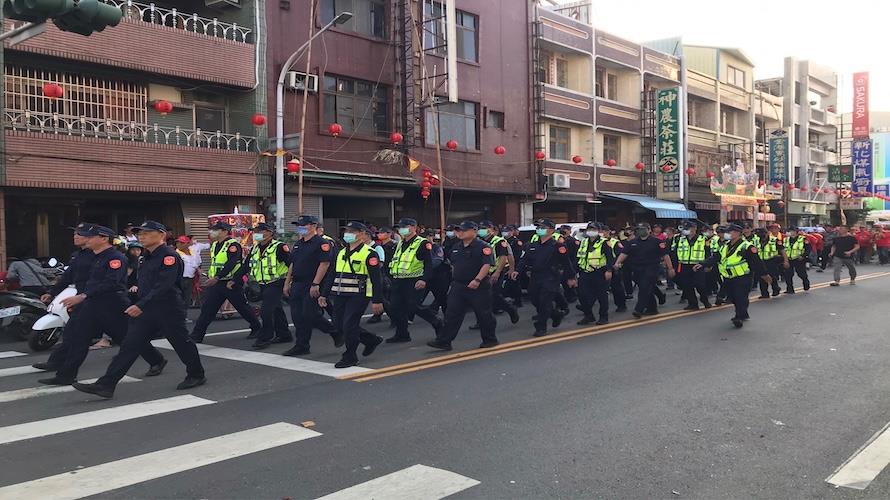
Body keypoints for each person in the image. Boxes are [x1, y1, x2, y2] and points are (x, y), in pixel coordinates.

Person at [73, 221, 206, 399]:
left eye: (147, 233)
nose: (141, 236)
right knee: (129, 345)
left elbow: (163, 286)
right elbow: (143, 283)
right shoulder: (144, 256)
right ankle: (106, 384)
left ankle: (196, 374)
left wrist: (140, 305)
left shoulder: (169, 256)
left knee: (181, 342)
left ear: (161, 235)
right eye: (140, 233)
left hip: (168, 308)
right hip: (147, 309)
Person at [38, 223, 167, 385]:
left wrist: (83, 295)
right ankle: (66, 375)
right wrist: (53, 292)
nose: (86, 239)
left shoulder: (116, 258)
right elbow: (74, 278)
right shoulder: (89, 256)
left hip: (112, 305)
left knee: (128, 338)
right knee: (77, 338)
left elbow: (111, 283)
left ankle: (157, 360)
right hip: (90, 303)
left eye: (90, 237)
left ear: (104, 239)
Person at [320, 222, 384, 368]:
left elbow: (376, 279)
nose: (348, 234)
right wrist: (324, 294)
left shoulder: (369, 253)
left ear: (362, 234)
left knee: (349, 325)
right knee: (338, 324)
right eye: (347, 231)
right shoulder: (341, 252)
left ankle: (350, 356)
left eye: (352, 231)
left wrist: (377, 300)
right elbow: (332, 274)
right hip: (341, 293)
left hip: (359, 295)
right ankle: (370, 340)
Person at [428, 221, 499, 350]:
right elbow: (454, 265)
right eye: (458, 230)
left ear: (474, 231)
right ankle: (444, 341)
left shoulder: (483, 247)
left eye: (463, 230)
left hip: (479, 286)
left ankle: (490, 339)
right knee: (452, 314)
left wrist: (477, 280)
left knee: (483, 314)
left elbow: (487, 264)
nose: (460, 233)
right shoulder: (456, 246)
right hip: (459, 285)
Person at [189, 222, 261, 342]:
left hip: (230, 283)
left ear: (223, 231)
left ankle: (256, 327)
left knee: (242, 307)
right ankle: (197, 335)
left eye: (214, 230)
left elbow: (231, 263)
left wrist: (217, 277)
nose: (211, 232)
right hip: (216, 283)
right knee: (207, 309)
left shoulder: (233, 245)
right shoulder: (215, 245)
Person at [282, 215, 340, 356]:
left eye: (304, 225)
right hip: (297, 283)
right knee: (297, 316)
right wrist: (287, 282)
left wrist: (316, 283)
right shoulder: (298, 244)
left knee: (310, 315)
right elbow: (293, 264)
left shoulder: (321, 243)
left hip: (312, 283)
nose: (300, 228)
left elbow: (324, 263)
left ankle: (334, 332)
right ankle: (302, 345)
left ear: (313, 226)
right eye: (299, 225)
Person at [696, 223, 770, 328]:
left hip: (743, 276)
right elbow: (715, 257)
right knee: (733, 297)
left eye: (728, 232)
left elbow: (757, 262)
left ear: (737, 233)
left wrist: (764, 274)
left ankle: (738, 317)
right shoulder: (725, 246)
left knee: (740, 296)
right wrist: (702, 264)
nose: (726, 234)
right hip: (728, 277)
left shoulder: (747, 246)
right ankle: (743, 313)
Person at [514, 218, 576, 337]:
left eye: (543, 227)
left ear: (551, 230)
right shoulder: (532, 245)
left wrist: (571, 277)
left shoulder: (557, 246)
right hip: (535, 276)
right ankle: (556, 315)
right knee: (534, 299)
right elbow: (524, 260)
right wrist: (518, 271)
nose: (539, 229)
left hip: (550, 276)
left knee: (545, 301)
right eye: (538, 227)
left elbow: (566, 263)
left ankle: (541, 327)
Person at [385, 218, 443, 343]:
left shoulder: (422, 243)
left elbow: (428, 264)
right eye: (400, 227)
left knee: (414, 306)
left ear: (413, 227)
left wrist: (423, 279)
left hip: (414, 280)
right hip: (399, 280)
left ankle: (437, 323)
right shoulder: (400, 243)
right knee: (395, 307)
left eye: (403, 227)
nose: (401, 230)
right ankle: (402, 334)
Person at [245, 222, 292, 350]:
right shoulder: (255, 248)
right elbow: (246, 265)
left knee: (266, 312)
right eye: (255, 231)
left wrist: (290, 282)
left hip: (277, 283)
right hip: (262, 284)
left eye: (260, 231)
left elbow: (291, 265)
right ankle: (284, 334)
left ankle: (265, 337)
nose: (256, 234)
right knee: (276, 309)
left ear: (270, 233)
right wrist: (235, 279)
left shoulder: (279, 247)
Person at [613, 222, 673, 319]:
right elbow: (624, 253)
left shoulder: (657, 242)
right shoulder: (632, 242)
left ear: (649, 230)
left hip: (652, 268)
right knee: (646, 288)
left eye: (643, 229)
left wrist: (670, 268)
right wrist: (617, 263)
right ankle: (653, 308)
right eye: (639, 229)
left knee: (644, 288)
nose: (641, 231)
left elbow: (665, 255)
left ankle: (639, 309)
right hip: (637, 269)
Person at [478, 220, 519, 324]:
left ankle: (510, 309)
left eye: (484, 228)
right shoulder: (479, 241)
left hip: (496, 271)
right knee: (482, 297)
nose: (481, 231)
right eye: (480, 228)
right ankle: (483, 321)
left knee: (493, 295)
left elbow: (504, 257)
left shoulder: (499, 241)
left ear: (491, 230)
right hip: (483, 272)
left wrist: (498, 272)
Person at [575, 222, 616, 325]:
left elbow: (610, 258)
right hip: (585, 273)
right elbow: (579, 258)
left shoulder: (604, 242)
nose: (591, 231)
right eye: (589, 229)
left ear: (599, 231)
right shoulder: (583, 242)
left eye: (593, 229)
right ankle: (588, 316)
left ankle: (603, 317)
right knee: (582, 295)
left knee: (601, 296)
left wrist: (609, 270)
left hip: (599, 272)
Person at [671, 220, 711, 310]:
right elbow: (674, 254)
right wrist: (674, 267)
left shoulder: (703, 239)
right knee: (687, 285)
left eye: (689, 228)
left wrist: (707, 265)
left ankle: (704, 300)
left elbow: (708, 253)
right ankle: (693, 303)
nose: (687, 230)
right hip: (684, 265)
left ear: (695, 228)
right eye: (686, 228)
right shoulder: (679, 239)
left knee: (700, 285)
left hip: (698, 265)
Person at [175, 235, 209, 309]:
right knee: (178, 298)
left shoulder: (193, 252)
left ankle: (184, 316)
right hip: (180, 279)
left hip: (190, 278)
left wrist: (199, 270)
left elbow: (196, 263)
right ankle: (178, 316)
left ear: (187, 244)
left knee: (187, 297)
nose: (179, 244)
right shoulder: (175, 254)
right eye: (177, 243)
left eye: (181, 243)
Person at [604, 226, 627, 312]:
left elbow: (621, 254)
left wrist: (616, 264)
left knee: (616, 287)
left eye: (603, 231)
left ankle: (621, 304)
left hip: (613, 267)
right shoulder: (596, 242)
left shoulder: (614, 242)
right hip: (600, 268)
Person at [756, 225, 784, 298]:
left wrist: (785, 260)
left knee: (772, 276)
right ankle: (764, 293)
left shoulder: (774, 240)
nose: (761, 236)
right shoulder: (756, 241)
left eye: (763, 234)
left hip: (771, 261)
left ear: (767, 233)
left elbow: (782, 250)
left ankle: (775, 289)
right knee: (762, 277)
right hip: (761, 261)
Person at [783, 227, 811, 294]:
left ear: (796, 232)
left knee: (801, 273)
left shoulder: (803, 239)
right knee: (788, 275)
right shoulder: (786, 240)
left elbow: (808, 249)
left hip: (799, 259)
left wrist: (803, 256)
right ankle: (790, 289)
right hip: (789, 259)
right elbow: (783, 249)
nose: (791, 232)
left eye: (792, 231)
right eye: (790, 231)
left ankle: (806, 283)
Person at [503, 225, 525, 307]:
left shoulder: (516, 242)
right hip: (505, 265)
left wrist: (513, 267)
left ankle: (518, 301)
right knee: (509, 283)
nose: (505, 233)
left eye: (507, 231)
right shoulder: (503, 241)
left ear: (511, 232)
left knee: (515, 283)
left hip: (515, 265)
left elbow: (517, 255)